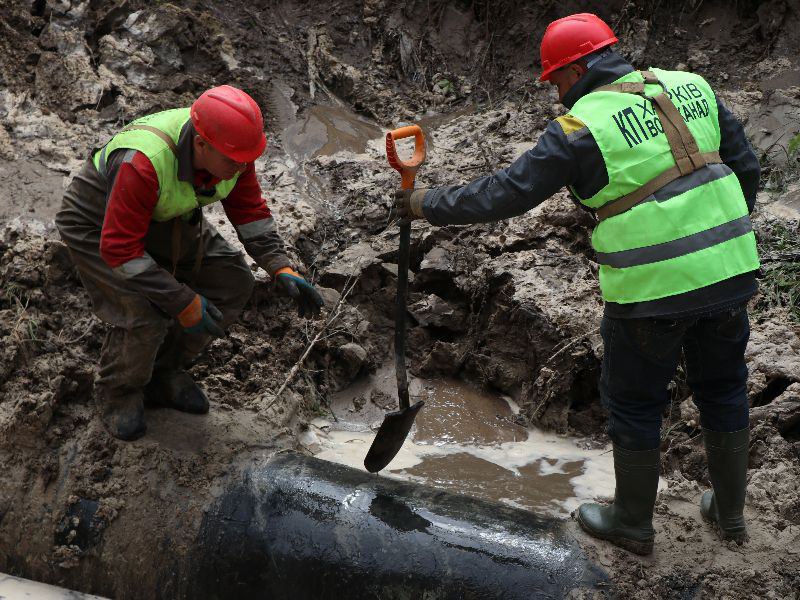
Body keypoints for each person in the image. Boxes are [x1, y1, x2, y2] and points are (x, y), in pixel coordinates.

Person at [395, 13, 760, 555]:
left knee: (635, 402)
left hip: (649, 289)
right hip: (731, 273)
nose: (558, 95)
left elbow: (506, 193)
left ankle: (632, 523)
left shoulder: (580, 128)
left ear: (580, 68)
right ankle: (730, 514)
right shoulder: (692, 86)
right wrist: (717, 245)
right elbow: (746, 168)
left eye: (558, 81)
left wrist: (425, 202)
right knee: (724, 387)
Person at [56, 85, 324, 441]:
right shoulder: (143, 161)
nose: (242, 167)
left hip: (160, 214)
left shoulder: (233, 150)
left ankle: (164, 372)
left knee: (232, 280)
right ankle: (119, 393)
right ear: (200, 144)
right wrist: (183, 301)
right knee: (143, 313)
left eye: (247, 159)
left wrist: (280, 265)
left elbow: (249, 212)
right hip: (97, 221)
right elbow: (121, 250)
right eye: (234, 161)